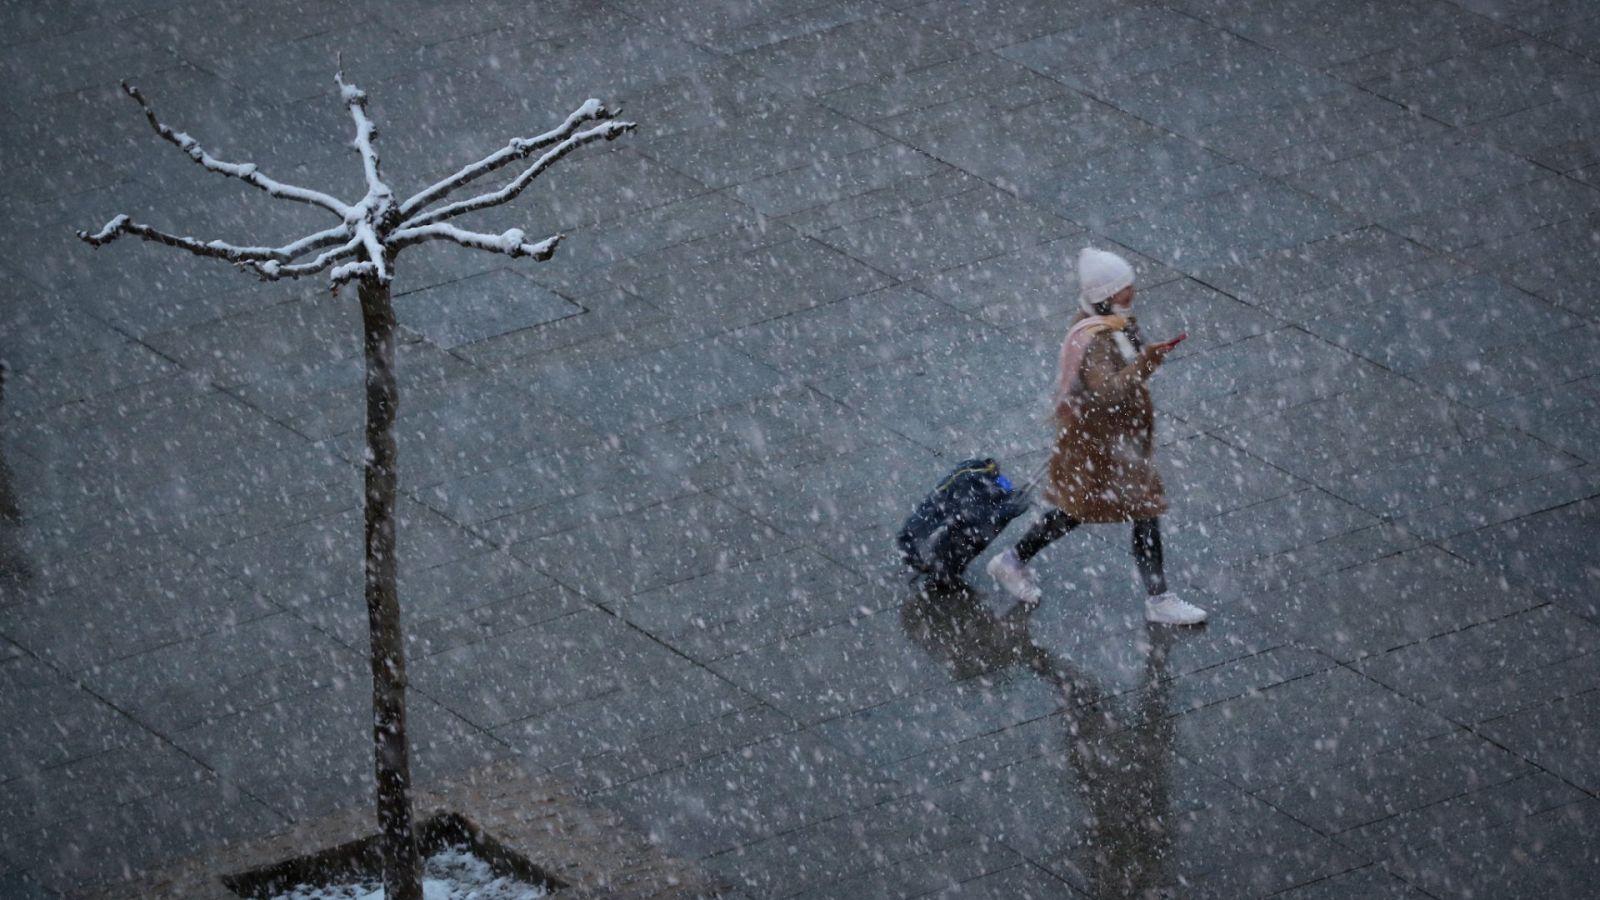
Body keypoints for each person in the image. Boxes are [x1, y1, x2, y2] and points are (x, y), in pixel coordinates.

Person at [987, 247, 1206, 625]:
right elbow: (1107, 391)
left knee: (1087, 510)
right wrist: (1147, 361)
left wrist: (1142, 360)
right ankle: (1159, 599)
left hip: (1114, 442)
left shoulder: (1116, 324)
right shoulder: (1099, 338)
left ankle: (1013, 560)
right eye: (1125, 287)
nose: (1132, 292)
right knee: (1132, 509)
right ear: (1107, 293)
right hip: (1103, 444)